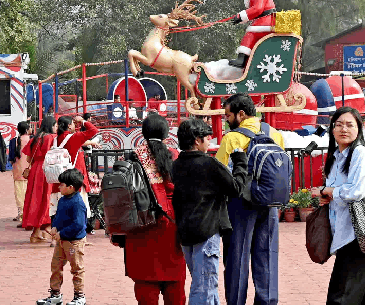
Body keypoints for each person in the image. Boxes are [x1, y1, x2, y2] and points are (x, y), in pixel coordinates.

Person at [214, 94, 282, 305]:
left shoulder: (232, 138)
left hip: (241, 204)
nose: (226, 120)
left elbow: (221, 174)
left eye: (228, 115)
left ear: (241, 114)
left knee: (237, 259)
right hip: (270, 204)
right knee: (267, 257)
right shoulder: (276, 134)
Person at [173, 117, 248, 305]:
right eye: (207, 138)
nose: (209, 141)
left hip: (186, 234)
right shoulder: (209, 164)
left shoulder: (177, 165)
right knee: (203, 288)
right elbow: (236, 188)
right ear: (197, 140)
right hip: (206, 233)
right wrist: (240, 162)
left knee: (206, 285)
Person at [114, 115, 186, 305]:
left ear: (143, 133)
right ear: (165, 133)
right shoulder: (175, 155)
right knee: (176, 287)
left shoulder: (131, 157)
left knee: (145, 287)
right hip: (172, 223)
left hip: (140, 223)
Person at [318, 106, 365, 305]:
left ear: (358, 129)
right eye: (338, 125)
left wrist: (330, 192)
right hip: (345, 232)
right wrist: (328, 195)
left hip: (358, 234)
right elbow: (338, 191)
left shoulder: (360, 154)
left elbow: (356, 192)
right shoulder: (336, 157)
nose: (343, 129)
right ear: (332, 129)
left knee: (340, 296)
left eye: (349, 125)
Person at [36, 168, 88, 305]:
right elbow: (59, 217)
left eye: (61, 185)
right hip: (62, 241)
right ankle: (55, 295)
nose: (59, 187)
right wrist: (55, 227)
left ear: (71, 187)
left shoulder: (77, 203)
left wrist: (61, 233)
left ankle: (79, 296)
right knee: (56, 267)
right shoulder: (64, 199)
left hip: (74, 242)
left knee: (77, 269)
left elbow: (78, 225)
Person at [49, 115, 98, 220]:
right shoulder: (74, 137)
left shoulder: (55, 139)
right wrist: (83, 121)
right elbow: (93, 130)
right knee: (76, 211)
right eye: (73, 123)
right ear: (69, 125)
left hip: (59, 177)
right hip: (73, 177)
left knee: (58, 211)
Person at [228, 0, 277, 68]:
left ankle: (241, 59)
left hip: (267, 20)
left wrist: (241, 16)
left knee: (251, 34)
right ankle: (247, 58)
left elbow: (257, 9)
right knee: (252, 33)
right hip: (266, 19)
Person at [22, 116, 58, 243]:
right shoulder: (51, 138)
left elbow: (27, 158)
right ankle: (45, 232)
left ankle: (36, 233)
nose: (56, 128)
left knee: (35, 199)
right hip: (46, 170)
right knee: (46, 199)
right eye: (55, 125)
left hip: (35, 170)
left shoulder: (35, 138)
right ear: (51, 126)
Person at [10, 120, 33, 223]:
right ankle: (30, 214)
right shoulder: (32, 140)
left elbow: (11, 157)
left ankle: (21, 214)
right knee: (31, 192)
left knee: (20, 193)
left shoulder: (13, 141)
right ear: (27, 130)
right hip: (31, 170)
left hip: (18, 171)